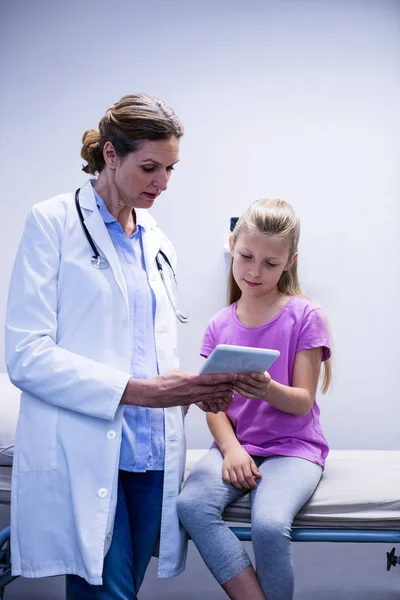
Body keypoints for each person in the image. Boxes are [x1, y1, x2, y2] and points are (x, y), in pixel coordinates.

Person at [5, 93, 245, 599]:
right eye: (150, 167)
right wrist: (141, 391)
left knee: (120, 591)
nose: (163, 183)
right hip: (88, 447)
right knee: (107, 594)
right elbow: (26, 355)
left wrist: (192, 391)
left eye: (172, 168)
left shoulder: (156, 239)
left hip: (151, 451)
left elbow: (150, 346)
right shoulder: (53, 223)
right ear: (111, 155)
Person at [177, 198, 332, 600]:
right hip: (237, 446)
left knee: (268, 525)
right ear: (232, 245)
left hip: (294, 450)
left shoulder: (305, 315)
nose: (254, 271)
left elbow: (301, 402)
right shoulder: (219, 324)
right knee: (192, 506)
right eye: (246, 256)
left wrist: (266, 389)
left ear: (290, 262)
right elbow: (212, 406)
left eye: (270, 263)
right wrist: (231, 450)